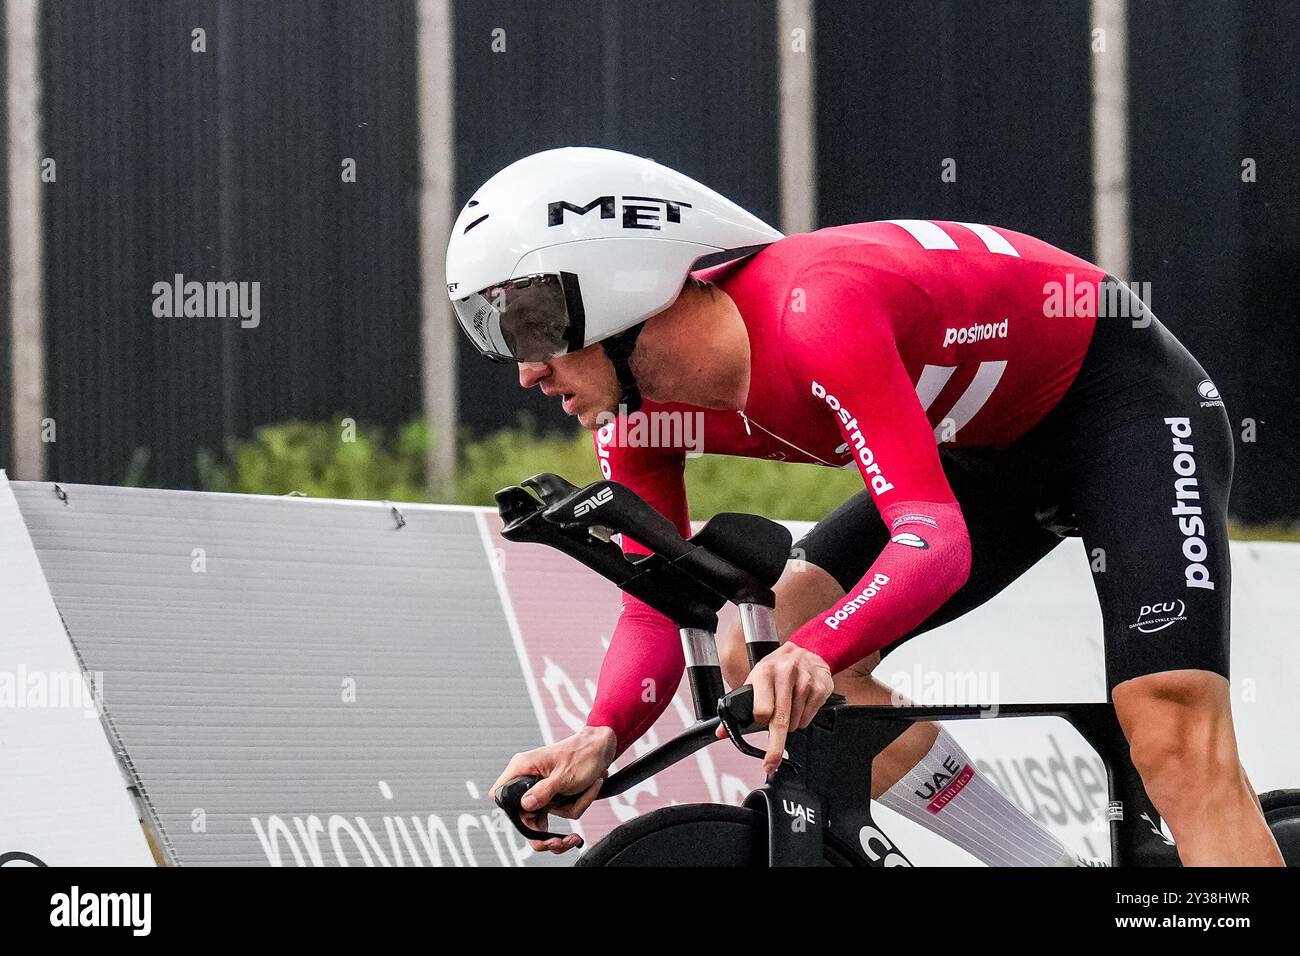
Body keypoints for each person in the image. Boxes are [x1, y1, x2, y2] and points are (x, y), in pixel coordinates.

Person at [449, 146, 1282, 866]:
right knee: (758, 648)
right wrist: (602, 736)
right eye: (492, 333)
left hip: (1117, 400)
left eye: (528, 326)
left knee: (1170, 724)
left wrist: (811, 648)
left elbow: (933, 539)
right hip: (983, 447)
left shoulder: (815, 311)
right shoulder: (636, 414)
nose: (522, 370)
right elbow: (655, 602)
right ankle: (1039, 860)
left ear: (617, 287)